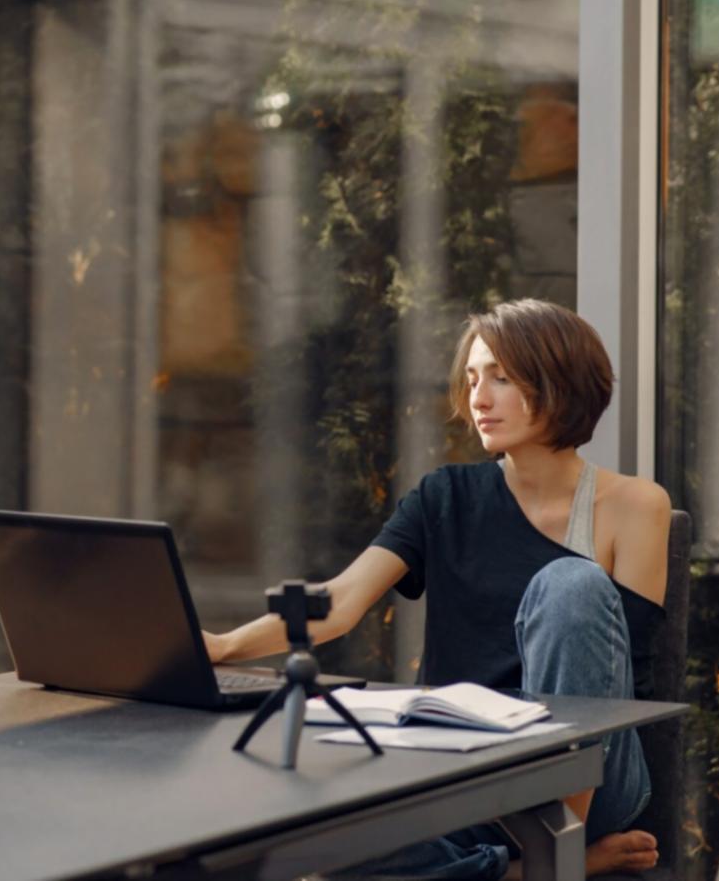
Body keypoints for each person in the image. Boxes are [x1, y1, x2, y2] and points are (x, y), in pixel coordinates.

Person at [203, 299, 670, 879]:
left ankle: (559, 852)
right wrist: (220, 647)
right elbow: (340, 604)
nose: (478, 398)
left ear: (562, 382)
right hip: (470, 771)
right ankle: (507, 870)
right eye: (473, 379)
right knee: (314, 836)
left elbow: (625, 672)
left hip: (592, 774)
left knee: (569, 583)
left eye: (501, 378)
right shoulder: (444, 497)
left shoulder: (635, 505)